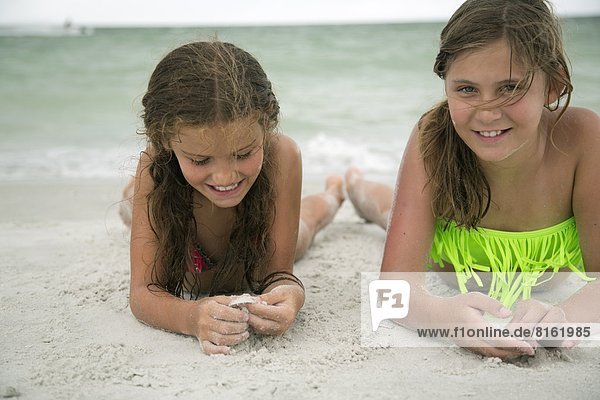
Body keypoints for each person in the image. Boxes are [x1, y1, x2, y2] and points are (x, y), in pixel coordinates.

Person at [347, 0, 599, 359]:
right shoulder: (433, 136)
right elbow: (392, 292)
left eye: (510, 87)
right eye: (466, 90)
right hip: (446, 262)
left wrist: (563, 316)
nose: (487, 112)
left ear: (553, 85)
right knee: (384, 209)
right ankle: (352, 186)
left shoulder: (583, 138)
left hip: (546, 283)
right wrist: (446, 318)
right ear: (446, 85)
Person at [121, 41, 345, 355]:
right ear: (166, 140)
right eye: (201, 160)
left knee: (306, 227)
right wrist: (190, 317)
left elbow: (279, 274)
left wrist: (290, 292)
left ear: (266, 126)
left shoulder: (282, 155)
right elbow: (143, 293)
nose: (226, 177)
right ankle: (133, 195)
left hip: (255, 242)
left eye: (243, 154)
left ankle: (334, 193)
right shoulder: (156, 167)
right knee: (136, 214)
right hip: (179, 222)